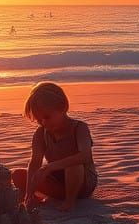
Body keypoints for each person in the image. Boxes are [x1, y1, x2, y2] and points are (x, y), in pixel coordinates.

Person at [13, 81, 98, 212]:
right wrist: (29, 192)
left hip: (82, 184)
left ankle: (70, 202)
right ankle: (34, 198)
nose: (43, 122)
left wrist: (50, 166)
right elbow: (35, 162)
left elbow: (85, 156)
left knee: (73, 164)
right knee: (18, 175)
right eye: (39, 120)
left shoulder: (79, 128)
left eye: (47, 117)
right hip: (58, 183)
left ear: (63, 108)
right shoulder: (41, 133)